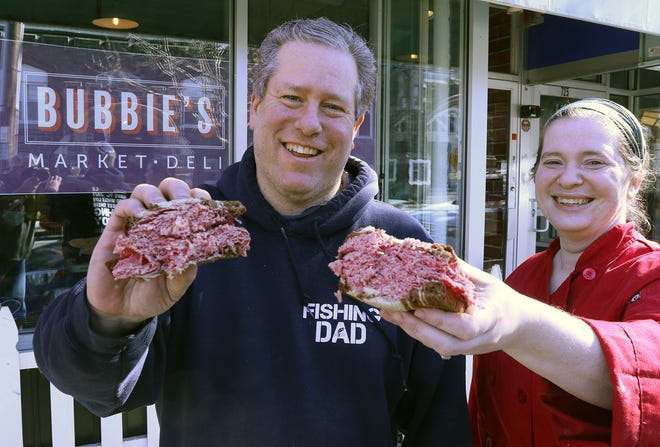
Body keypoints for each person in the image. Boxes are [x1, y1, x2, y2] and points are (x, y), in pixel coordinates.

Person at [33, 17, 472, 446]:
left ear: (356, 126)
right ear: (255, 107)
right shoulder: (189, 233)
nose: (309, 123)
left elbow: (440, 424)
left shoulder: (398, 248)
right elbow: (98, 390)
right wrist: (109, 320)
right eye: (292, 97)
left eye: (333, 106)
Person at [381, 98, 660, 446]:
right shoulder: (523, 278)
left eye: (594, 162)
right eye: (553, 162)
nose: (569, 178)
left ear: (634, 182)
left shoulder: (651, 275)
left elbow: (646, 378)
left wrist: (518, 324)